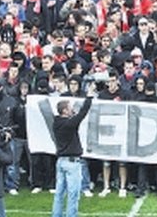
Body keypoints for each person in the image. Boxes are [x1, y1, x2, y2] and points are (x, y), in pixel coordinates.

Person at [51, 84, 95, 217]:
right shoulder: (69, 124)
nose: (72, 110)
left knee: (59, 193)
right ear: (64, 111)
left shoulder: (57, 123)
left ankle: (56, 214)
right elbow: (82, 113)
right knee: (73, 194)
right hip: (72, 163)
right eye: (70, 108)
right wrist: (89, 97)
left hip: (61, 162)